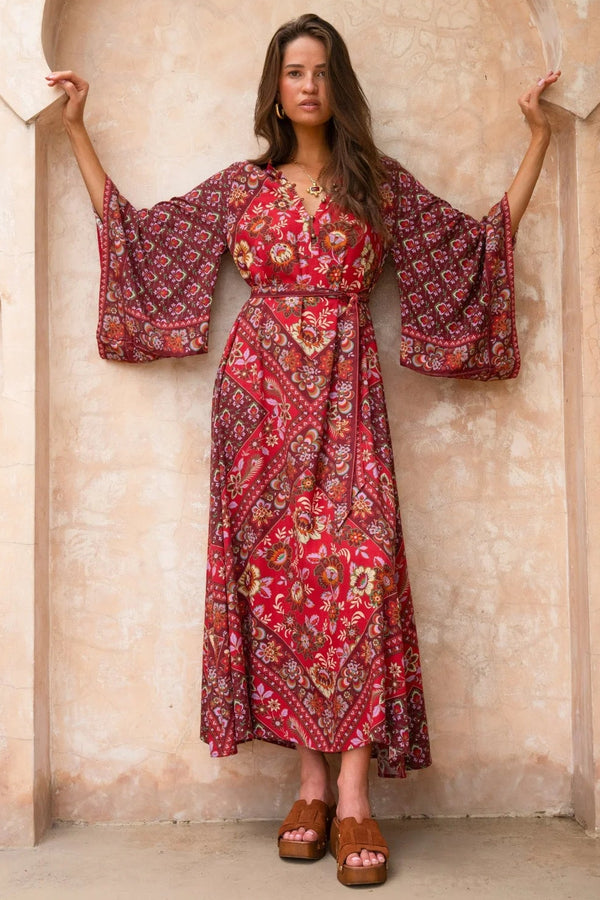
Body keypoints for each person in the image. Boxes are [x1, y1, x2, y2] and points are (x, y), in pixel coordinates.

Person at [46, 12, 560, 888]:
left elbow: (474, 250)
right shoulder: (243, 191)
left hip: (349, 400)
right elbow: (139, 238)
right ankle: (311, 788)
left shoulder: (376, 186)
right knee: (278, 592)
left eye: (321, 70)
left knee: (358, 582)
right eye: (294, 71)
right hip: (256, 413)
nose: (309, 84)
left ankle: (358, 799)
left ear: (338, 82)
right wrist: (78, 132)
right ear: (275, 87)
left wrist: (540, 143)